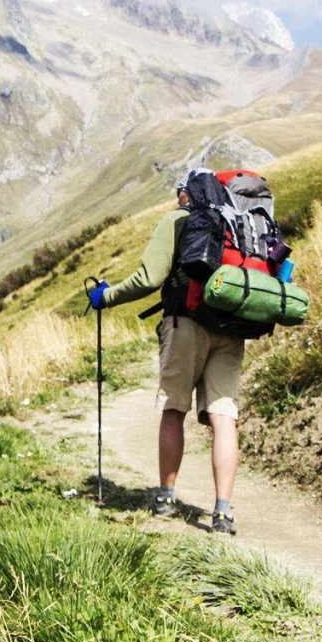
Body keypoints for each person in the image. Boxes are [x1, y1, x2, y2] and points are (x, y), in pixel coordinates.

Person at [86, 171, 245, 535]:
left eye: (178, 192)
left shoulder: (177, 220)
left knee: (174, 409)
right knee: (224, 417)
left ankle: (165, 498)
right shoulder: (236, 224)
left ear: (184, 193)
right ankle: (222, 511)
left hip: (185, 323)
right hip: (232, 329)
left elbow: (149, 278)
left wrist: (105, 297)